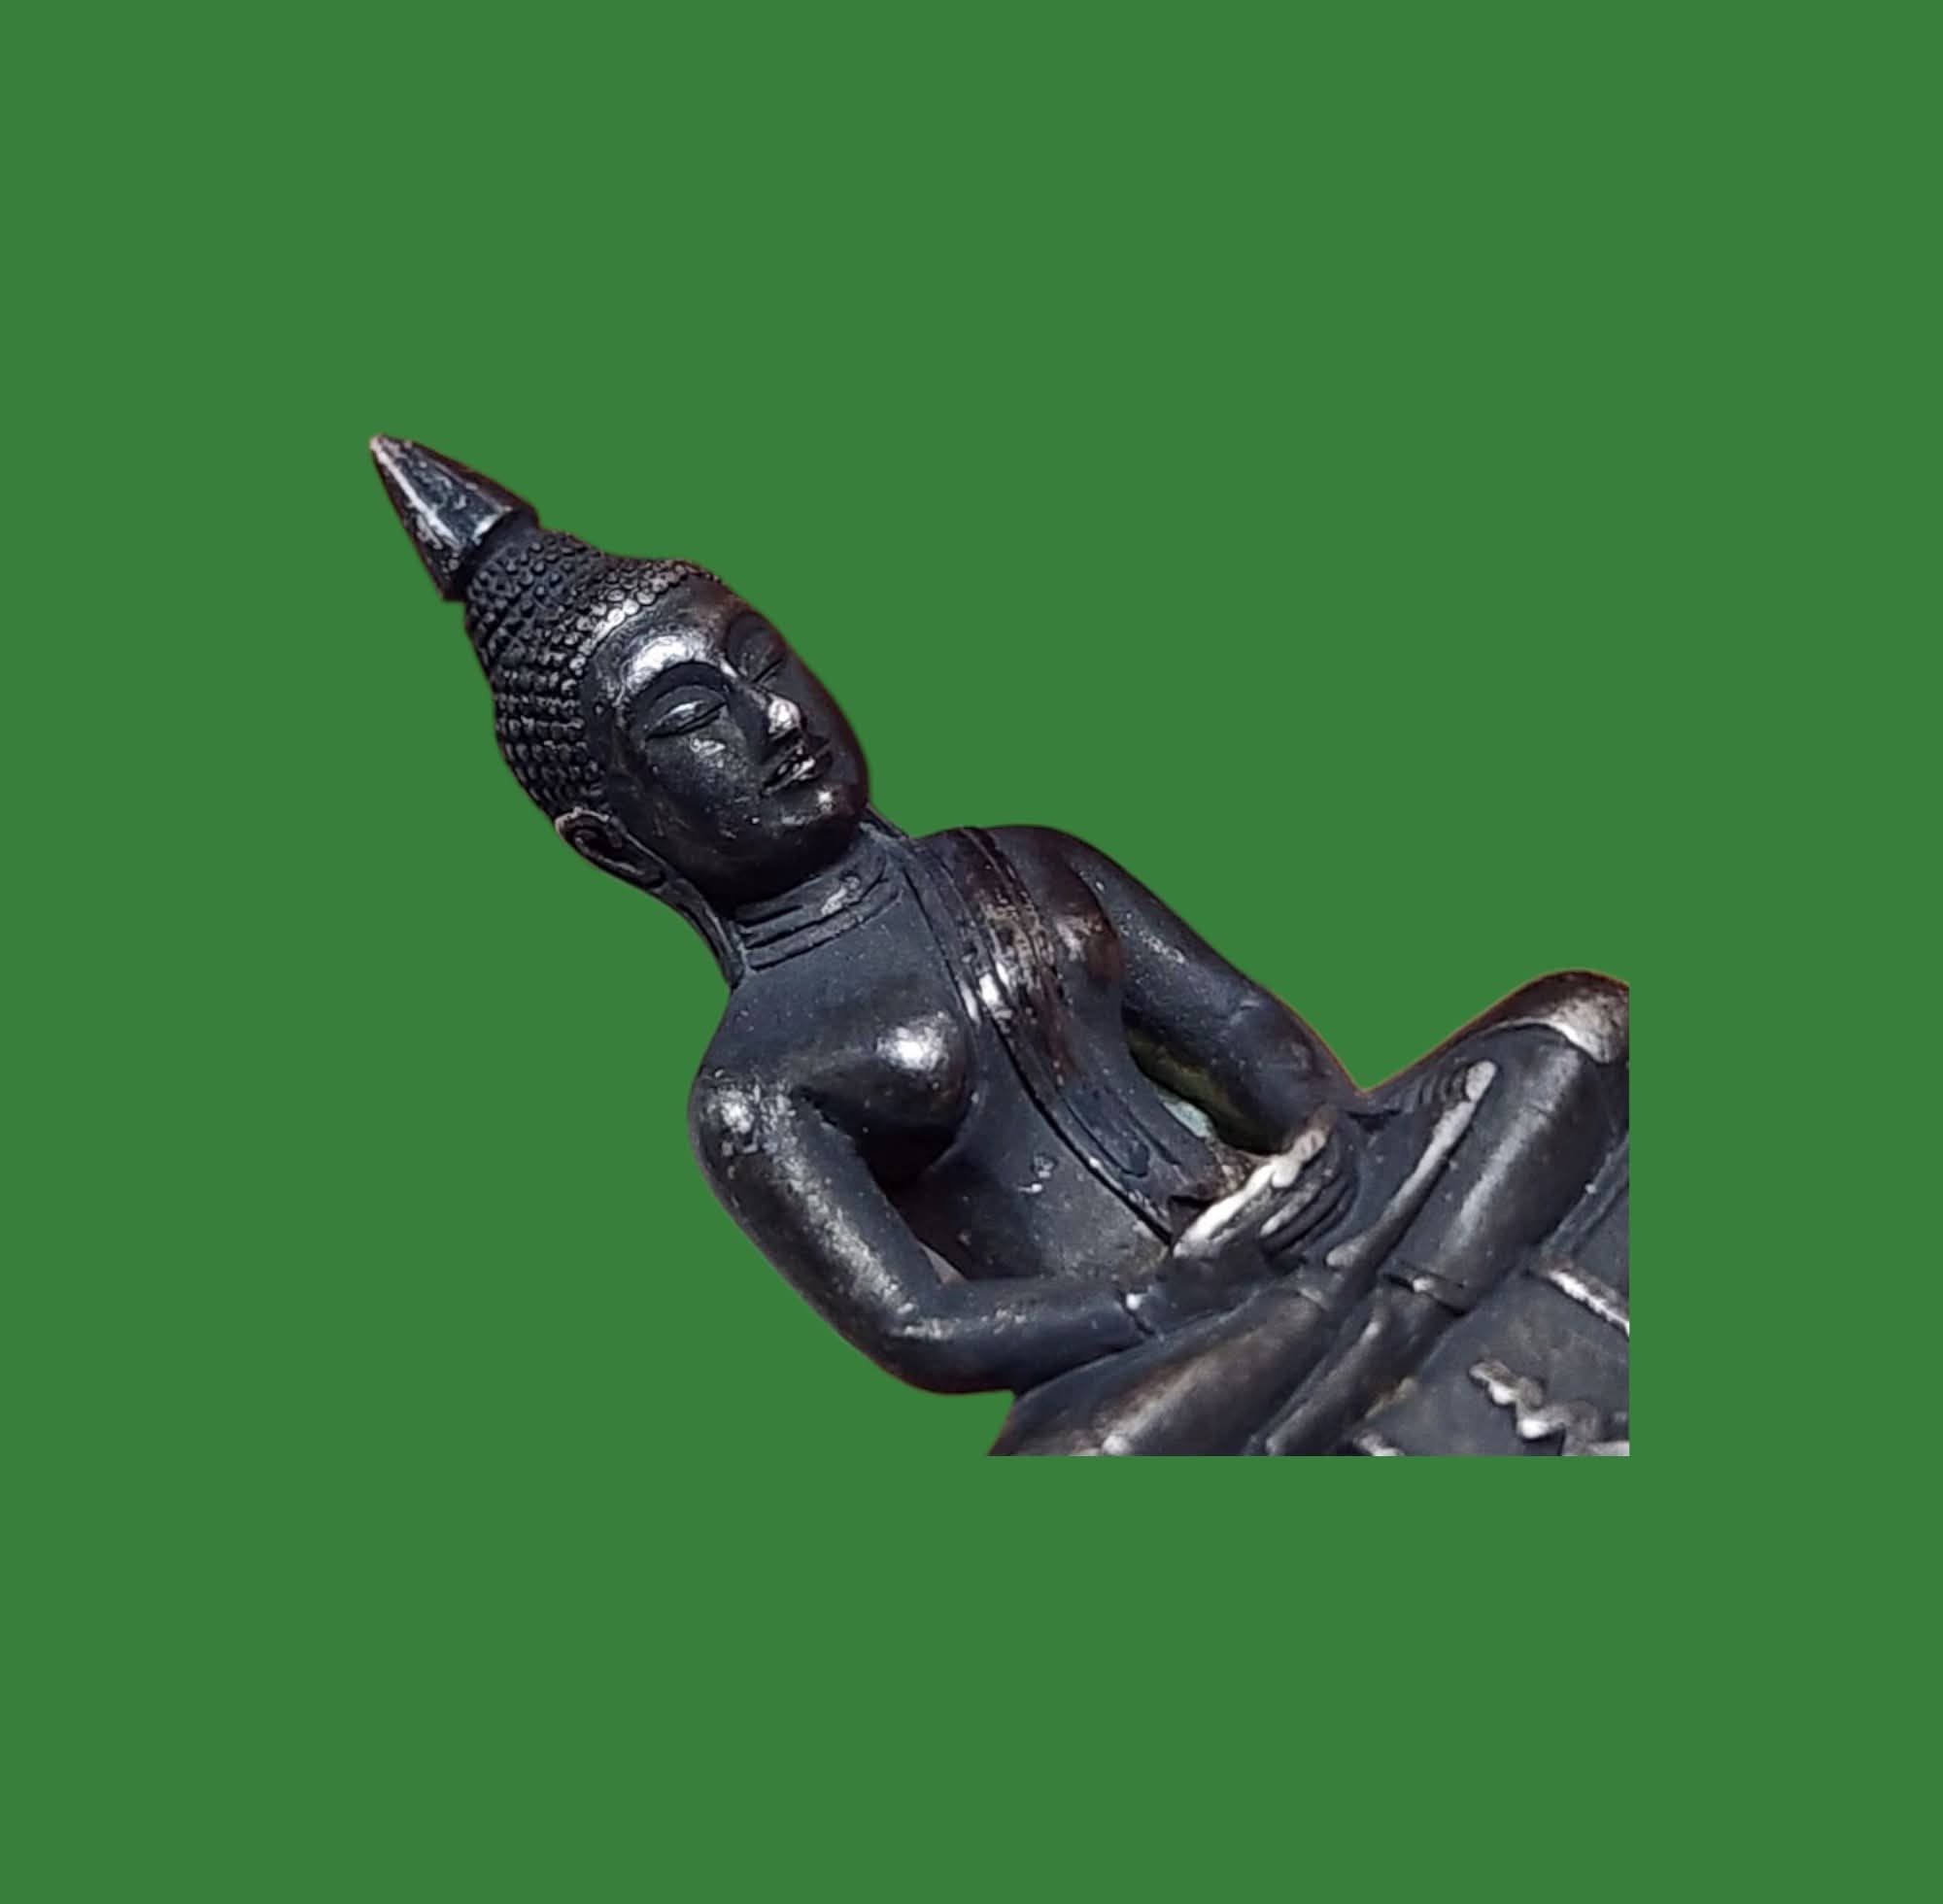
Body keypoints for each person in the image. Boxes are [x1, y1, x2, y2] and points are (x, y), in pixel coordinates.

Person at [372, 437, 1628, 1455]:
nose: (773, 718)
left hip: (1313, 1209)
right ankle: (1395, 1328)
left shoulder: (1023, 861)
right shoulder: (754, 1087)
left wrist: (1324, 1144)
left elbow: (1233, 1023)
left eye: (764, 661)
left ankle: (1382, 1326)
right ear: (613, 842)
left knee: (1577, 1021)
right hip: (1157, 1338)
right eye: (692, 715)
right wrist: (1161, 1298)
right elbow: (920, 1324)